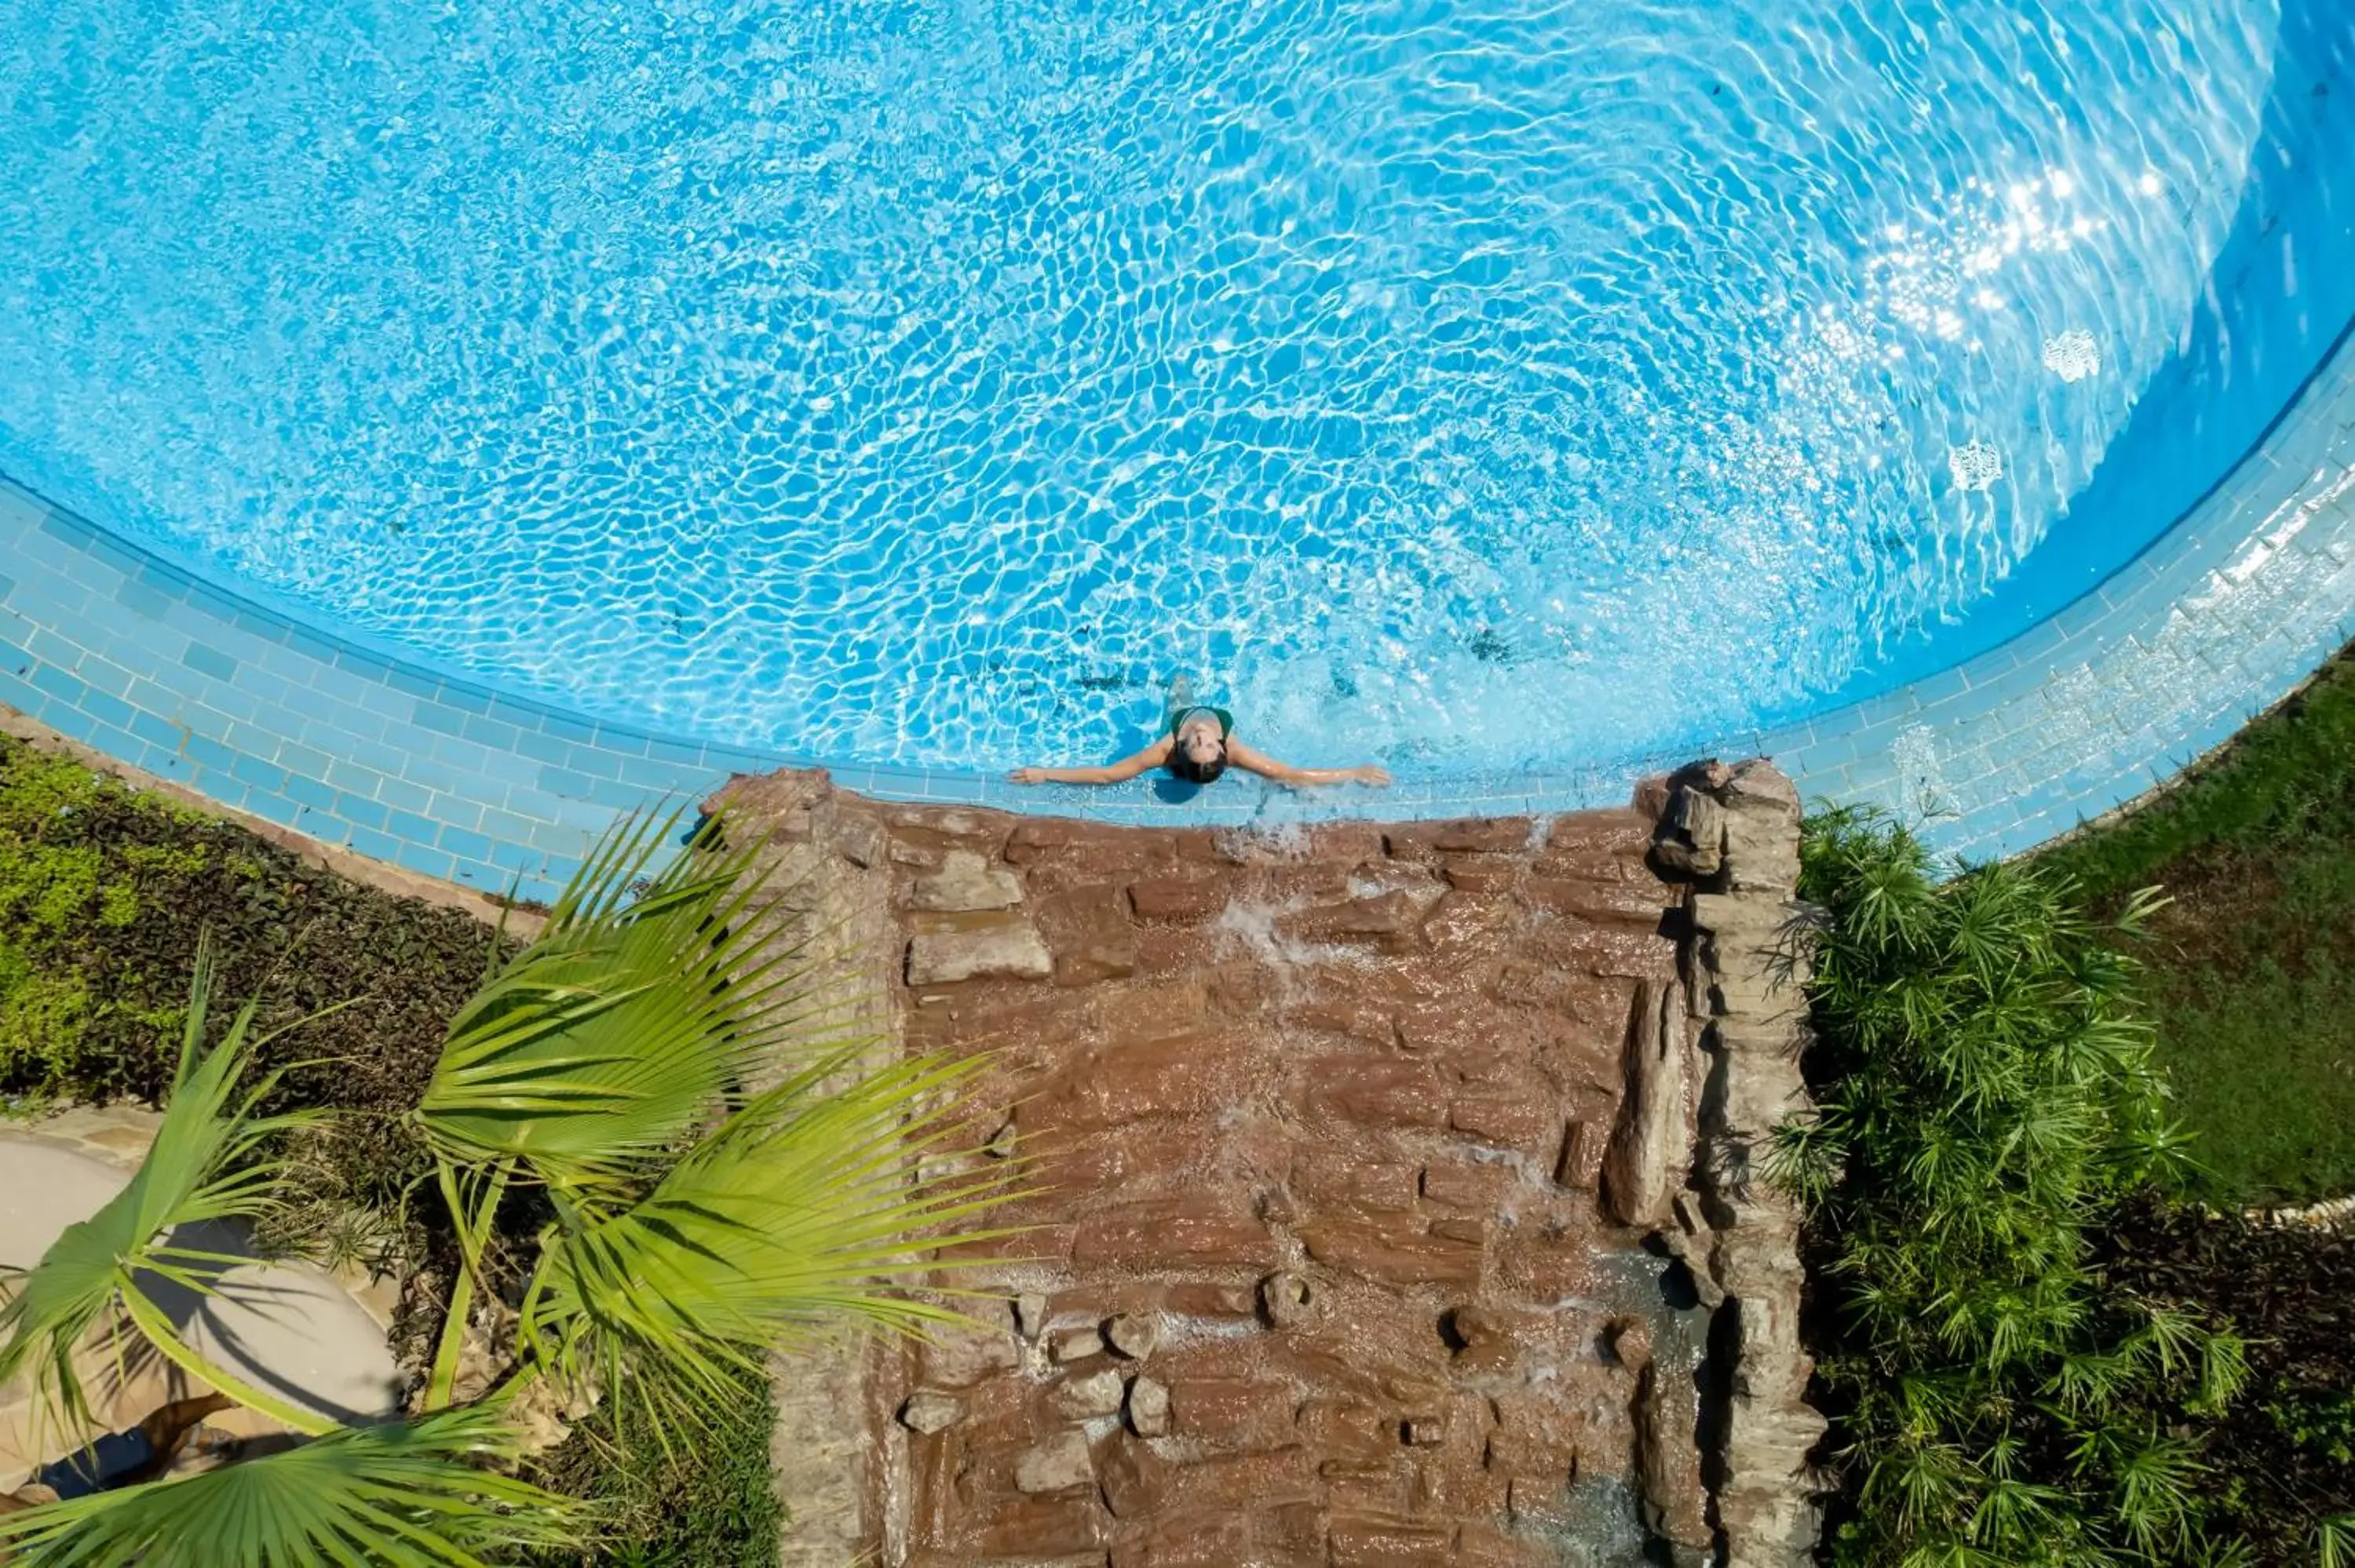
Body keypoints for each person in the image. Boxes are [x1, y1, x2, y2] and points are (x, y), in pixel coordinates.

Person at [1010, 676, 1391, 790]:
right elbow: (1290, 773)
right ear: (1223, 750)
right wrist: (1354, 772)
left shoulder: (1167, 747)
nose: (1203, 734)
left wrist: (1045, 773)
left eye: (1198, 742)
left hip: (1180, 706)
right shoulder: (1229, 747)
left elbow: (1108, 774)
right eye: (1204, 742)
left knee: (1178, 684)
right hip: (1196, 716)